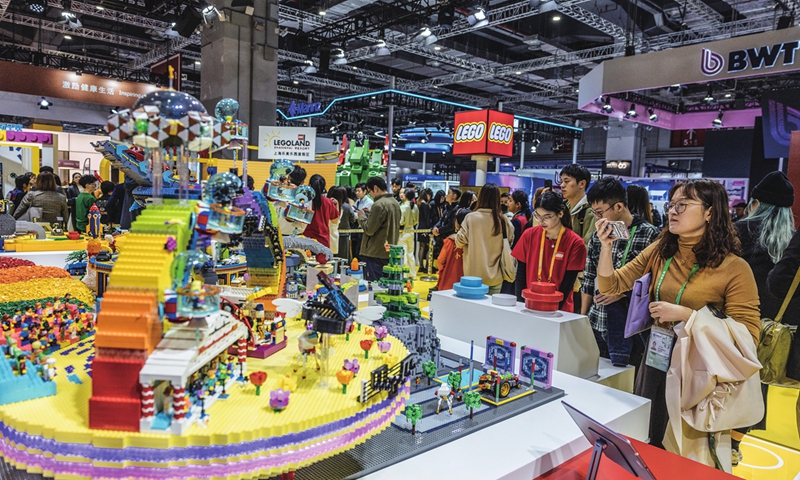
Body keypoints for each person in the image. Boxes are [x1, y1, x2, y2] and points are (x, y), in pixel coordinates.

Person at [595, 179, 760, 462]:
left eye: (682, 205)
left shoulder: (735, 268)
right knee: (646, 436)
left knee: (683, 450)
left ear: (710, 212)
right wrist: (606, 248)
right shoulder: (661, 251)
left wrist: (688, 316)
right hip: (656, 358)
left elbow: (748, 338)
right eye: (671, 205)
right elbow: (611, 286)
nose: (672, 211)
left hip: (698, 371)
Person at [733, 171, 796, 458]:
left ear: (757, 202)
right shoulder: (791, 240)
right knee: (757, 385)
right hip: (771, 329)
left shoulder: (739, 232)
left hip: (735, 321)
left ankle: (721, 442)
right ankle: (737, 443)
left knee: (726, 382)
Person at [582, 177, 659, 368]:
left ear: (618, 206)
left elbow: (655, 282)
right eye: (594, 212)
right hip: (597, 320)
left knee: (625, 377)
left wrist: (622, 292)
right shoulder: (598, 236)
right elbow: (589, 278)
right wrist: (582, 319)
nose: (597, 217)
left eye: (600, 212)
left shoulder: (649, 234)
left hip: (630, 326)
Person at [512, 190, 586, 310]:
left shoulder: (575, 243)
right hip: (529, 304)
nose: (541, 221)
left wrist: (554, 309)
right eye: (537, 216)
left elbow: (568, 283)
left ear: (560, 213)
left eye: (547, 217)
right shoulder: (529, 235)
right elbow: (520, 273)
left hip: (559, 308)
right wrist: (520, 304)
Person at [456, 183, 514, 295]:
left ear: (481, 197)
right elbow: (510, 242)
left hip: (473, 277)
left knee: (473, 306)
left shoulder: (471, 218)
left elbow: (459, 242)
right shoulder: (503, 220)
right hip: (496, 276)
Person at [561, 164, 595, 313]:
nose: (562, 185)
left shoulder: (590, 212)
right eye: (561, 181)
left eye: (567, 181)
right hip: (559, 271)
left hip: (579, 278)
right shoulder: (562, 208)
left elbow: (588, 248)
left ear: (582, 184)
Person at [357, 177, 401, 281]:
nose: (370, 195)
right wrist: (371, 214)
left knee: (375, 286)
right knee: (386, 285)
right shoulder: (395, 203)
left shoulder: (378, 205)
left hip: (375, 253)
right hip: (389, 251)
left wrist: (361, 216)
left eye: (369, 192)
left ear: (375, 188)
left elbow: (369, 229)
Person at [302, 174, 340, 249]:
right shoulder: (329, 202)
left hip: (306, 239)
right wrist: (337, 207)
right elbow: (335, 220)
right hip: (323, 241)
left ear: (309, 185)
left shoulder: (305, 201)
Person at [437, 208, 469, 291]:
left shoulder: (449, 241)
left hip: (448, 280)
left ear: (457, 223)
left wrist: (441, 271)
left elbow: (440, 260)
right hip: (466, 282)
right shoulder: (473, 242)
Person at [327, 186, 355, 259]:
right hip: (340, 236)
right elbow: (353, 219)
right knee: (342, 259)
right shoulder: (345, 207)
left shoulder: (324, 206)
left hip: (326, 236)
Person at [399, 188, 420, 278]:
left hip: (403, 232)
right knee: (411, 254)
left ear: (406, 195)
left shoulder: (403, 207)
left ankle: (405, 275)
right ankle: (413, 274)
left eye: (403, 193)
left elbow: (401, 222)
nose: (401, 195)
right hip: (412, 231)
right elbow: (416, 221)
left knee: (403, 254)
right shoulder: (415, 206)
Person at [352, 182, 374, 259]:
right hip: (356, 227)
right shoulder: (358, 201)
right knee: (355, 248)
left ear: (365, 191)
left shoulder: (369, 202)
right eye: (356, 191)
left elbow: (361, 215)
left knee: (360, 249)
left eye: (359, 191)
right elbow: (355, 212)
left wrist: (357, 212)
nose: (357, 193)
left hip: (363, 228)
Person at [416, 188, 434, 272]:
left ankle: (420, 266)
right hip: (425, 227)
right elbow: (427, 218)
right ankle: (427, 266)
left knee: (421, 247)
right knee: (429, 246)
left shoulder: (418, 203)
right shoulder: (425, 205)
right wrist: (429, 228)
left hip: (420, 226)